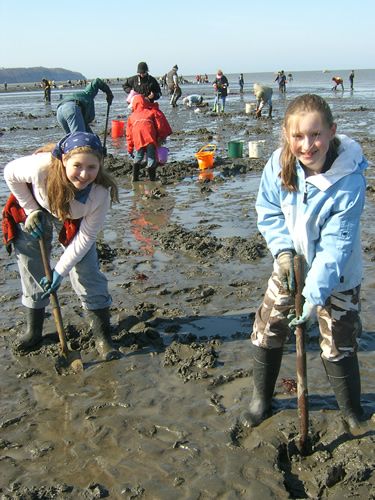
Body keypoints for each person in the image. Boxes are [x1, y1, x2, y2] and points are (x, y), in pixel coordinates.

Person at [242, 94, 368, 433]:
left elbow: (336, 246)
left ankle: (352, 410)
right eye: (298, 136)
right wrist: (282, 253)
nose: (308, 145)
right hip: (289, 267)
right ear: (286, 134)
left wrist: (313, 296)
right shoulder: (277, 163)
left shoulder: (350, 180)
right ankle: (261, 400)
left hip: (337, 275)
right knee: (267, 330)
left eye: (316, 135)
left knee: (338, 343)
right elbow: (268, 211)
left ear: (331, 132)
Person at [2, 132, 121, 361]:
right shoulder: (41, 168)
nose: (84, 174)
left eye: (92, 167)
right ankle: (34, 331)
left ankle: (102, 338)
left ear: (100, 166)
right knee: (31, 264)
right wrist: (30, 210)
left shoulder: (100, 194)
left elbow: (85, 238)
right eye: (77, 165)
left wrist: (59, 271)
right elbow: (10, 172)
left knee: (87, 269)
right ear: (64, 160)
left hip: (74, 216)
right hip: (35, 205)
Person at [126, 95, 172, 181]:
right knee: (151, 157)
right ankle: (152, 178)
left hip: (138, 140)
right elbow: (160, 126)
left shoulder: (131, 117)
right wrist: (161, 137)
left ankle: (135, 177)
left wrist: (130, 149)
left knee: (138, 156)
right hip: (150, 138)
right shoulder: (151, 112)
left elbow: (129, 135)